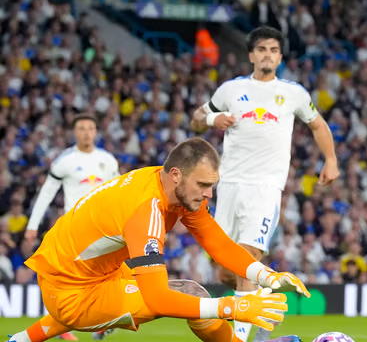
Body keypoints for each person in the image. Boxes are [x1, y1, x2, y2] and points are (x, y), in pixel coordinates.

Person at [7, 138, 310, 342]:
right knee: (194, 295)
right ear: (177, 174)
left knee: (188, 292)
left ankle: (20, 340)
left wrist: (266, 275)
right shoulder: (146, 210)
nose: (209, 195)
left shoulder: (165, 184)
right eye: (203, 185)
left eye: (212, 186)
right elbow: (158, 299)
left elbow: (216, 243)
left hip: (86, 275)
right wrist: (233, 308)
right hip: (72, 293)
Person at [190, 26, 339, 342]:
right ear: (251, 55)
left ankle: (242, 338)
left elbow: (318, 124)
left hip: (265, 187)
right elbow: (196, 118)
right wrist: (211, 120)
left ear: (280, 56)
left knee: (246, 261)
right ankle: (266, 306)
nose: (267, 54)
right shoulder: (230, 90)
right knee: (223, 271)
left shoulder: (293, 93)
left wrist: (331, 159)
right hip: (228, 185)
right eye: (261, 49)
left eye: (273, 50)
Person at [23, 114, 119, 341]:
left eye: (90, 128)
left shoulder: (108, 160)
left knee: (109, 275)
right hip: (74, 227)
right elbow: (47, 192)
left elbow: (117, 193)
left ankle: (102, 322)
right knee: (63, 277)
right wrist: (32, 225)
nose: (86, 132)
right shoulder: (64, 161)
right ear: (75, 132)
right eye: (81, 128)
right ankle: (62, 327)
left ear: (96, 132)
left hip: (103, 227)